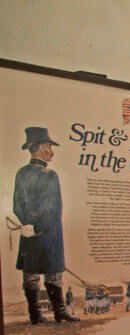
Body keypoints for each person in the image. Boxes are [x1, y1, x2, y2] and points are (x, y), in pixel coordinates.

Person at [13, 127, 79, 324]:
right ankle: (56, 313)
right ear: (39, 147)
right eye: (49, 146)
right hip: (48, 231)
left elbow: (19, 205)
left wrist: (28, 224)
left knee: (34, 275)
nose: (52, 151)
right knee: (49, 274)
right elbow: (52, 208)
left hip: (30, 231)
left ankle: (41, 315)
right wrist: (37, 226)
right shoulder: (50, 175)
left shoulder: (22, 173)